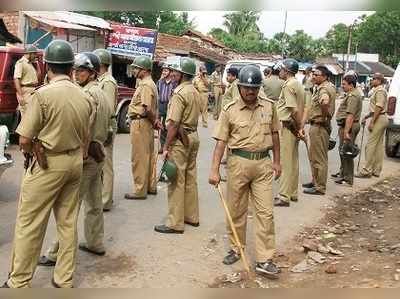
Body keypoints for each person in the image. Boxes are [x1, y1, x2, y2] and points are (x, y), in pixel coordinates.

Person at [2, 40, 92, 288]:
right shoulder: (84, 95)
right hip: (74, 162)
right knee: (67, 222)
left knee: (30, 223)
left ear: (48, 66)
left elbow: (23, 139)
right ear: (71, 67)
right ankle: (64, 279)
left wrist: (34, 149)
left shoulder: (42, 95)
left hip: (48, 163)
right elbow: (86, 136)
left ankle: (19, 281)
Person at [38, 52, 113, 268]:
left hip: (87, 155)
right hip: (98, 153)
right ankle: (95, 242)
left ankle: (54, 253)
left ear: (92, 73)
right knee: (94, 202)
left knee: (69, 209)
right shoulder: (100, 92)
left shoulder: (87, 95)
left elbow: (85, 130)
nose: (77, 74)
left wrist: (79, 154)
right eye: (76, 70)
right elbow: (109, 127)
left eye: (82, 70)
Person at [209, 65, 282, 277]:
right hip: (238, 163)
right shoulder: (229, 109)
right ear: (240, 87)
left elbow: (275, 134)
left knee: (265, 213)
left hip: (263, 164)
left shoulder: (269, 106)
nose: (251, 92)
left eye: (255, 88)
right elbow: (221, 142)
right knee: (236, 210)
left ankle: (264, 259)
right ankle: (236, 247)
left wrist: (277, 162)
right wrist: (214, 170)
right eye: (247, 88)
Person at [154, 57, 201, 234]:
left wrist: (166, 147)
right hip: (193, 136)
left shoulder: (180, 93)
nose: (172, 74)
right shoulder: (194, 91)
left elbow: (173, 123)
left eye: (175, 72)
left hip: (181, 140)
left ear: (182, 74)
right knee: (190, 178)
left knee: (176, 179)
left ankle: (175, 223)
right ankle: (191, 216)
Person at [125, 56, 160, 200]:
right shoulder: (150, 83)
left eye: (136, 68)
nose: (134, 70)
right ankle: (150, 186)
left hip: (141, 122)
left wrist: (154, 121)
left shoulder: (145, 85)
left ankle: (140, 190)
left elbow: (147, 108)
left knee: (139, 157)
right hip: (146, 123)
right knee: (148, 155)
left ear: (144, 70)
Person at [274, 59, 305, 207]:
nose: (279, 71)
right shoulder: (298, 85)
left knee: (285, 161)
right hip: (294, 126)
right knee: (293, 160)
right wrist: (299, 128)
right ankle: (293, 192)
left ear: (286, 71)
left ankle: (284, 195)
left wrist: (298, 128)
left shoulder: (288, 86)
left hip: (288, 126)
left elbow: (293, 110)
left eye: (281, 69)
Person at [302, 65, 336, 195]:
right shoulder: (325, 86)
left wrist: (324, 115)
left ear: (325, 76)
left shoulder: (324, 89)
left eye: (317, 75)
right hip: (318, 125)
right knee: (315, 156)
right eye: (313, 74)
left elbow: (325, 101)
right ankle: (315, 181)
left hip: (320, 126)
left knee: (319, 158)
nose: (314, 76)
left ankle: (319, 187)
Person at [93, 48, 118, 212]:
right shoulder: (101, 79)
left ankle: (106, 199)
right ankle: (102, 195)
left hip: (106, 125)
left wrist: (107, 130)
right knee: (100, 163)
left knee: (106, 164)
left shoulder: (107, 82)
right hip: (101, 125)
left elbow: (108, 108)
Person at [356, 73, 389, 178]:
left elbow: (379, 107)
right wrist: (366, 117)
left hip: (379, 118)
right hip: (381, 117)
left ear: (379, 80)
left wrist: (372, 121)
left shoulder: (380, 91)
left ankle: (366, 170)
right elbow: (375, 108)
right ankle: (376, 170)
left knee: (370, 145)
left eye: (374, 79)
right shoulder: (378, 91)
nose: (372, 80)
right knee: (378, 146)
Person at [333, 72, 362, 186]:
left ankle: (348, 178)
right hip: (346, 125)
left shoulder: (353, 96)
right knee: (343, 151)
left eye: (344, 84)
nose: (342, 86)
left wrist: (346, 131)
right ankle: (344, 174)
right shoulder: (351, 94)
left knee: (347, 152)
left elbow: (350, 115)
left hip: (349, 126)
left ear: (351, 85)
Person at [13, 45, 41, 117]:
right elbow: (16, 79)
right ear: (29, 53)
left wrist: (37, 64)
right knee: (26, 116)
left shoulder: (30, 64)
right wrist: (20, 95)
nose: (35, 56)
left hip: (33, 90)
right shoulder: (21, 63)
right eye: (34, 54)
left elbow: (38, 77)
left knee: (32, 115)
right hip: (26, 91)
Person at [157, 62, 177, 148]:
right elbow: (157, 93)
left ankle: (167, 145)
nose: (164, 73)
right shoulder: (160, 82)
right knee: (160, 126)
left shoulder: (174, 83)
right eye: (163, 71)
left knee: (168, 126)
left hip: (169, 106)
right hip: (161, 105)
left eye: (166, 71)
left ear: (170, 72)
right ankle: (162, 145)